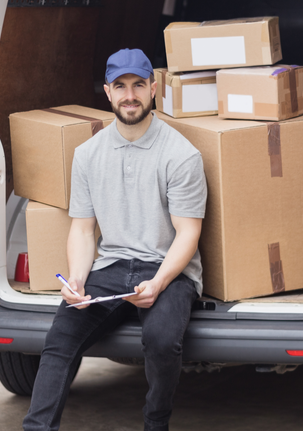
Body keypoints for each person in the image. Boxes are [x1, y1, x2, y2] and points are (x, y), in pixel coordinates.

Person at [23, 49, 207, 431]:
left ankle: (156, 423)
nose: (129, 95)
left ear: (153, 89)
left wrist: (157, 283)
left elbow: (188, 233)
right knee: (60, 338)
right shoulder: (88, 154)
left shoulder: (181, 155)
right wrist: (76, 280)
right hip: (110, 266)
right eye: (120, 86)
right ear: (107, 92)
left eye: (138, 85)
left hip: (167, 269)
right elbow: (83, 229)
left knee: (161, 341)